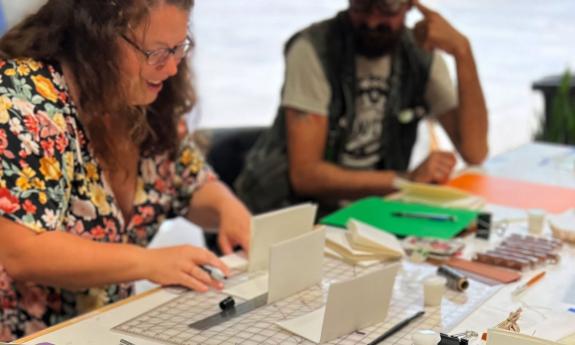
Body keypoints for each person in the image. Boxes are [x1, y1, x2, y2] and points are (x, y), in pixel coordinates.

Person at [0, 0, 251, 341]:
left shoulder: (144, 96)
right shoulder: (23, 98)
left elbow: (189, 181)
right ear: (98, 39)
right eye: (158, 52)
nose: (173, 68)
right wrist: (148, 262)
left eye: (180, 48)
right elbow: (23, 251)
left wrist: (227, 209)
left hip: (102, 328)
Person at [235, 0, 488, 215]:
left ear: (411, 6)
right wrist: (405, 180)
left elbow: (475, 151)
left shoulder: (420, 57)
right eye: (362, 5)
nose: (372, 21)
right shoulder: (314, 49)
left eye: (386, 8)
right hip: (290, 212)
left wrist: (462, 51)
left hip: (371, 211)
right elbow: (306, 176)